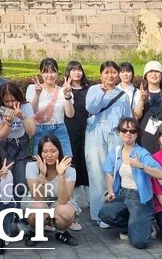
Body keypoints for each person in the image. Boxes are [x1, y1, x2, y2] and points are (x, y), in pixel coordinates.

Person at [98, 117, 162, 249]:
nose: (128, 133)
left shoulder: (142, 153)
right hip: (122, 195)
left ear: (137, 134)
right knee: (104, 214)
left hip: (139, 198)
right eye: (124, 130)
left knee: (140, 242)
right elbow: (109, 173)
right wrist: (111, 191)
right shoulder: (116, 151)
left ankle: (145, 226)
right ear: (119, 132)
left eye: (132, 130)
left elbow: (161, 174)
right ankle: (130, 225)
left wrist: (141, 166)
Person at [84, 61, 132, 227]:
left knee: (113, 173)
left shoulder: (123, 95)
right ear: (101, 74)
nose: (110, 76)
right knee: (96, 172)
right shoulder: (93, 90)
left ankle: (111, 212)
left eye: (113, 72)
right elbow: (91, 108)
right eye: (106, 72)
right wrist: (102, 93)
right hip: (95, 134)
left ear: (117, 74)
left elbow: (127, 119)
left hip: (115, 136)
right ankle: (98, 213)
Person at [24, 134, 79, 247]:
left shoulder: (69, 169)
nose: (49, 155)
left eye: (53, 151)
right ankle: (34, 231)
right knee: (39, 208)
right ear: (40, 152)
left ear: (59, 151)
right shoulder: (31, 166)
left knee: (65, 212)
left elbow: (63, 200)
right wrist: (42, 174)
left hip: (59, 201)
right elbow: (38, 198)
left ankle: (62, 233)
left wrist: (62, 175)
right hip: (37, 200)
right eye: (45, 151)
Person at [0, 82, 35, 202]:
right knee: (4, 180)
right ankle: (3, 206)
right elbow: (1, 136)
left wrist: (23, 117)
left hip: (21, 144)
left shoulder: (26, 107)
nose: (11, 104)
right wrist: (8, 123)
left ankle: (17, 207)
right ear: (1, 101)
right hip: (4, 146)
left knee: (21, 182)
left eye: (13, 100)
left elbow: (31, 132)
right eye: (6, 101)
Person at [26, 57, 74, 156]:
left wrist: (67, 96)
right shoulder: (32, 88)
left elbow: (70, 115)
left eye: (53, 71)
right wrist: (37, 94)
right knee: (40, 162)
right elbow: (31, 112)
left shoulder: (63, 90)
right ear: (41, 73)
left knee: (66, 160)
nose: (49, 75)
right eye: (46, 72)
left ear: (57, 73)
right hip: (40, 129)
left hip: (59, 129)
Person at [63, 60, 90, 223]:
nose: (77, 73)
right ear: (68, 73)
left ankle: (87, 195)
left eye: (79, 69)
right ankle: (72, 194)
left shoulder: (89, 89)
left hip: (87, 127)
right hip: (70, 127)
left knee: (85, 158)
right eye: (73, 70)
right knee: (73, 157)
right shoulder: (66, 90)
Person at [132, 61, 162, 154]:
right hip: (146, 136)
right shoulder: (138, 92)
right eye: (151, 71)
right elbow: (137, 115)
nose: (154, 74)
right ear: (145, 75)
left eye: (157, 71)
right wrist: (141, 99)